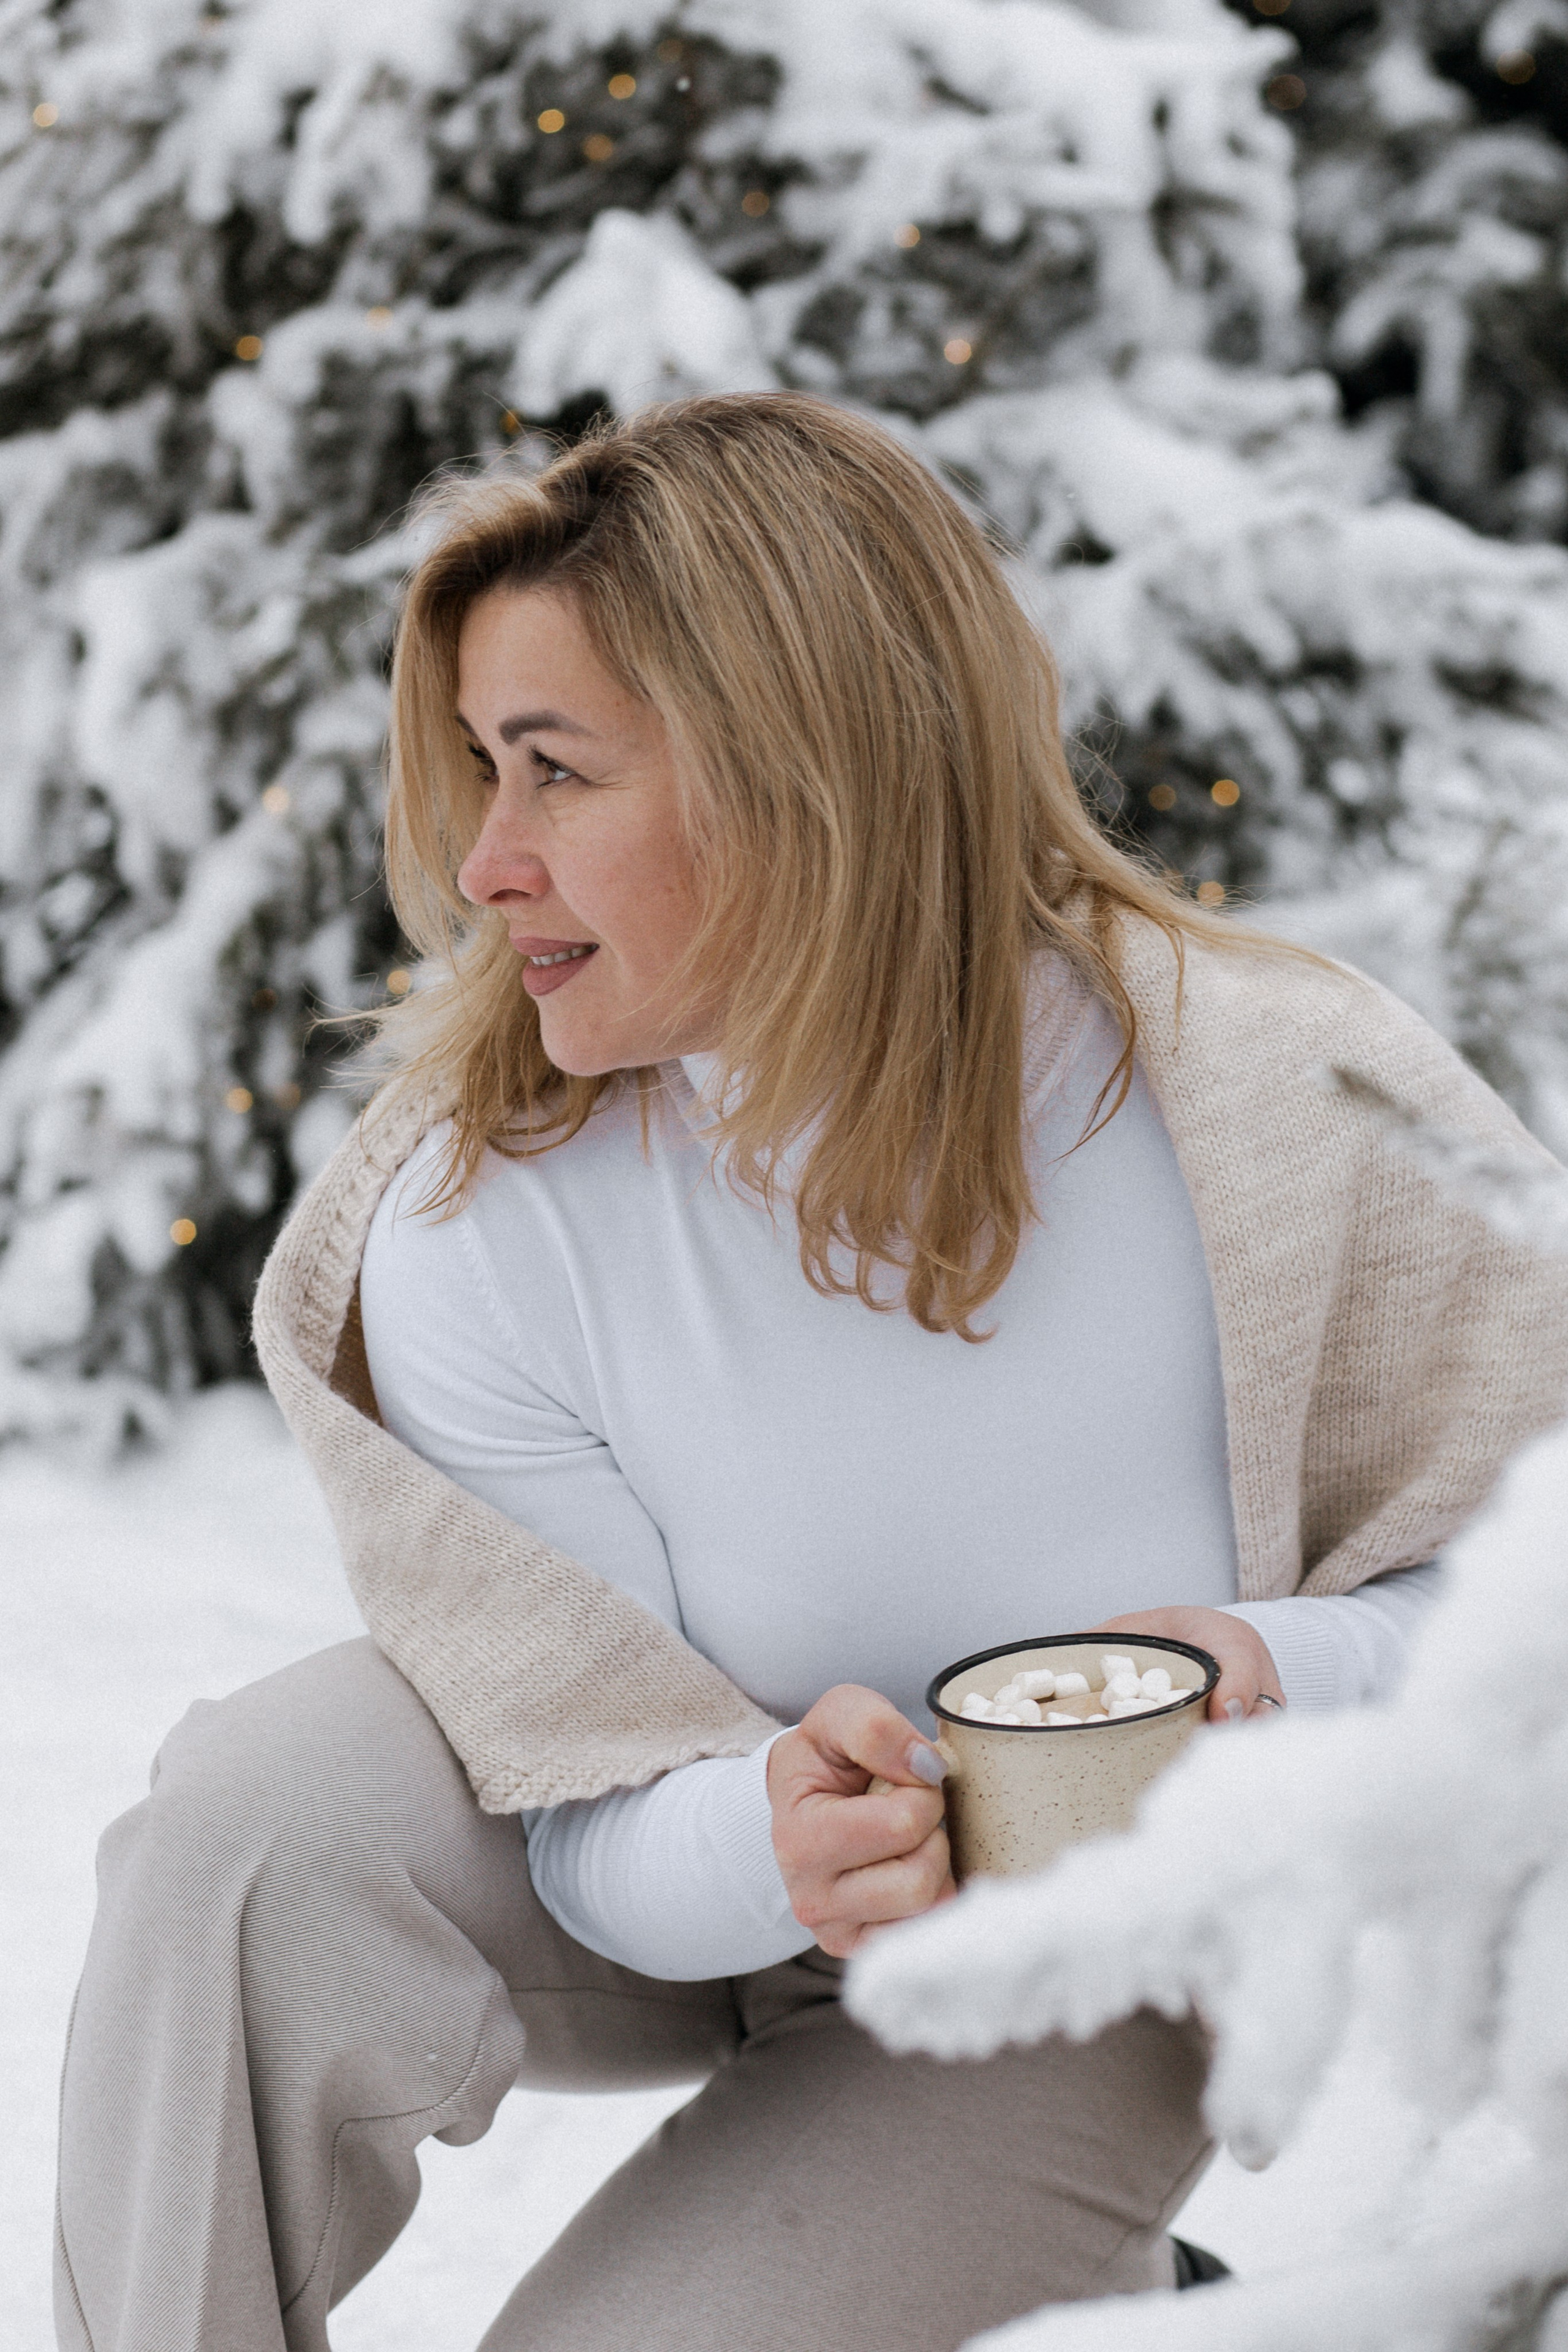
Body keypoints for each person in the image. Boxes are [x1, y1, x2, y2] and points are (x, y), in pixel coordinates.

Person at [55, 394, 1568, 2352]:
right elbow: (588, 1791)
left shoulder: (1268, 1101)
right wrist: (773, 1832)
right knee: (256, 1820)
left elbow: (1541, 1580)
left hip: (1072, 1958)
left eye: (554, 773)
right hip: (678, 1891)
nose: (488, 861)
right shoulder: (475, 1206)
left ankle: (1068, 2280)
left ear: (801, 768)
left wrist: (1277, 1668)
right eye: (475, 772)